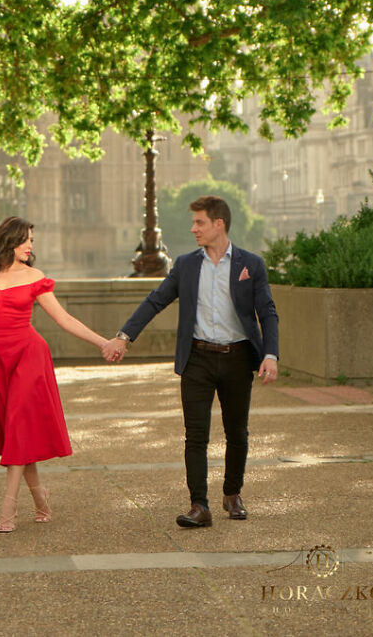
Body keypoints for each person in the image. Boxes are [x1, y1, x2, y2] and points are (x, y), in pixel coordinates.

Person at [102, 195, 279, 528]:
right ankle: (199, 505)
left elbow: (267, 312)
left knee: (237, 432)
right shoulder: (186, 265)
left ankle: (232, 493)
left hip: (238, 358)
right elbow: (155, 301)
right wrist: (123, 337)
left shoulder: (250, 265)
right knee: (195, 435)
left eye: (200, 222)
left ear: (218, 224)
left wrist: (270, 354)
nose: (193, 228)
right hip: (197, 359)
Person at [0, 216, 114, 533]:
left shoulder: (34, 276)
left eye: (32, 240)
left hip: (29, 357)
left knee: (17, 425)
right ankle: (41, 497)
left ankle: (8, 509)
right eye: (26, 239)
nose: (30, 245)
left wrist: (103, 342)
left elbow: (64, 319)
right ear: (10, 240)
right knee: (15, 432)